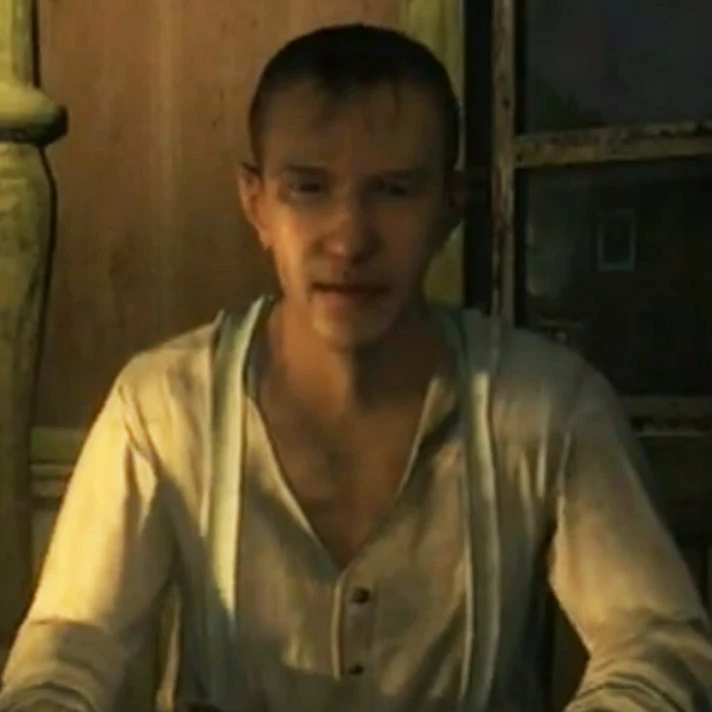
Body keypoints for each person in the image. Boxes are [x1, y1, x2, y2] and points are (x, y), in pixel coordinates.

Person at [1, 22, 712, 712]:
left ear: (450, 207)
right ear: (256, 204)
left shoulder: (548, 406)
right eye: (309, 189)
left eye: (395, 190)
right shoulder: (162, 405)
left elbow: (655, 648)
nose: (349, 240)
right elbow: (72, 641)